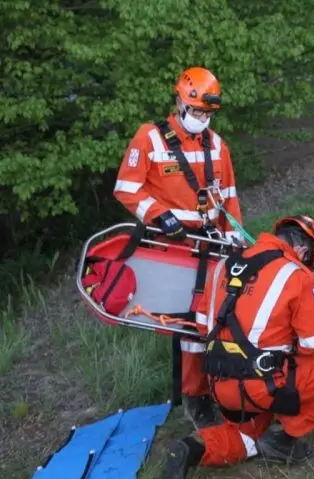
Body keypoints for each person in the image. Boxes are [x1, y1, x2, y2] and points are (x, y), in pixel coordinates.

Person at [163, 215, 314, 479]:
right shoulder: (295, 274)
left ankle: (192, 448)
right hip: (263, 386)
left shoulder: (223, 265)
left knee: (248, 437)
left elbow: (201, 327)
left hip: (220, 385)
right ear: (304, 251)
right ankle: (287, 436)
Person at [112, 66, 244, 428]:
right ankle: (194, 396)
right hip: (172, 245)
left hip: (212, 244)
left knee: (214, 319)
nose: (202, 119)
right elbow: (126, 188)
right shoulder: (150, 138)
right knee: (188, 324)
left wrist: (234, 235)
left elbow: (229, 198)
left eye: (207, 114)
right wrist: (159, 216)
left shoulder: (217, 145)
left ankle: (220, 388)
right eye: (197, 111)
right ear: (179, 103)